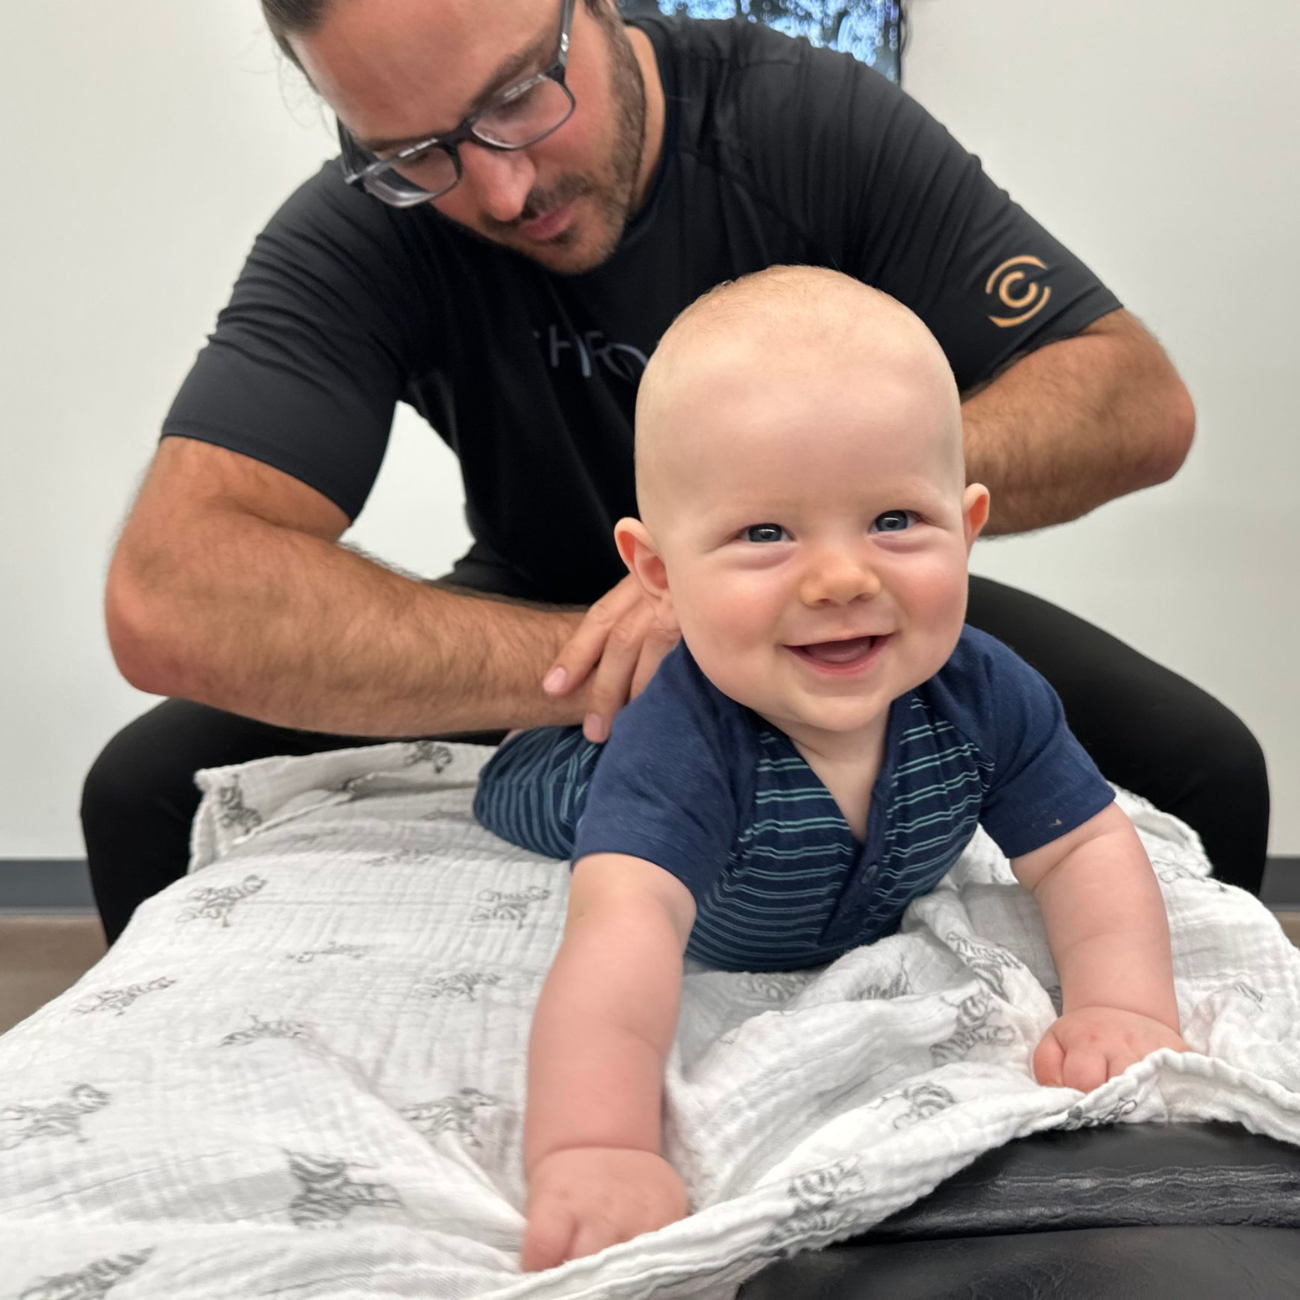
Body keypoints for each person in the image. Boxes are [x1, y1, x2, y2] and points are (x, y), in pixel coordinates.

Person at [84, 0, 1268, 948]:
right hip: (549, 606)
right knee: (141, 791)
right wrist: (624, 651)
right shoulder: (365, 226)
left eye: (516, 99)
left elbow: (1131, 397)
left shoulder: (805, 124)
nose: (498, 191)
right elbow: (170, 589)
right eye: (415, 154)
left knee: (1203, 764)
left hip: (833, 578)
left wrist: (831, 518)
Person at [472, 266, 1190, 1270]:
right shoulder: (681, 741)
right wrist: (596, 1147)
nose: (842, 579)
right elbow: (620, 935)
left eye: (893, 521)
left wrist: (1122, 1003)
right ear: (660, 576)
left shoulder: (988, 694)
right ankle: (525, 745)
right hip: (587, 774)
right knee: (537, 784)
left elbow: (1082, 848)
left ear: (968, 526)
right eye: (765, 533)